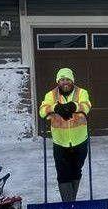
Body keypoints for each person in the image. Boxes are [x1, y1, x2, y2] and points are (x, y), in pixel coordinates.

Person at [38, 68, 92, 202]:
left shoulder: (81, 92)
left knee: (76, 171)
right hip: (60, 141)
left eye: (67, 79)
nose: (65, 82)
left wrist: (74, 106)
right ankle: (68, 204)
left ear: (72, 81)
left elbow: (86, 106)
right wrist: (55, 108)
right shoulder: (51, 95)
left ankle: (71, 202)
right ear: (58, 81)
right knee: (62, 174)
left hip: (80, 140)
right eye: (62, 80)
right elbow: (42, 111)